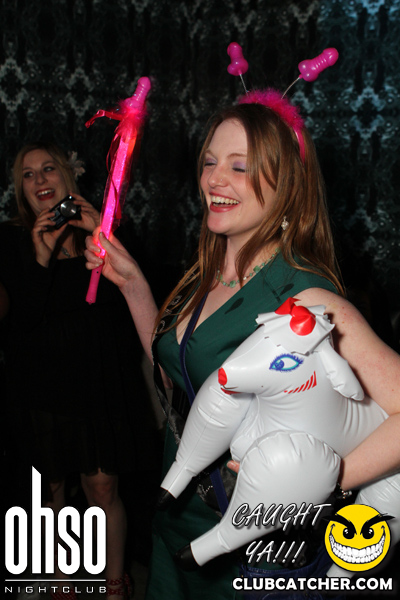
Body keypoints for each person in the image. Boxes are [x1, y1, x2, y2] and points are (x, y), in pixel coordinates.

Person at [84, 99, 400, 599]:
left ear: (287, 184)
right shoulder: (203, 278)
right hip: (175, 525)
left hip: (254, 550)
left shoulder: (306, 297)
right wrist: (133, 287)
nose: (214, 178)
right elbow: (180, 382)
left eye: (240, 167)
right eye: (210, 161)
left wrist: (325, 478)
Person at [1, 142, 157, 600]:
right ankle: (60, 581)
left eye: (48, 168)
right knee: (50, 490)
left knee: (103, 488)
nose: (39, 180)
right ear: (20, 188)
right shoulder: (10, 239)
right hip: (41, 388)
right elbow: (21, 322)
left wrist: (103, 238)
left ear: (69, 176)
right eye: (28, 174)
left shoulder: (105, 232)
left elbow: (133, 304)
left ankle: (115, 582)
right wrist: (40, 255)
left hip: (98, 383)